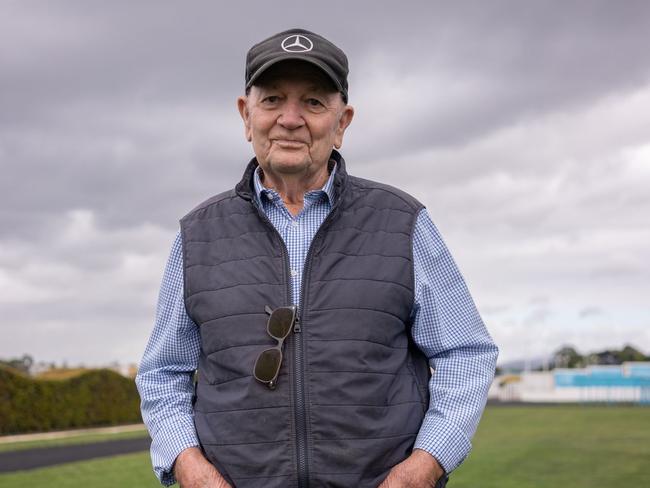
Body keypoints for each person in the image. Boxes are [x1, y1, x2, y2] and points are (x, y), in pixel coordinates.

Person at [136, 28, 498, 488]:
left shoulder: (404, 221)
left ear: (342, 122)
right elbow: (162, 373)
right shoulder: (197, 234)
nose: (290, 119)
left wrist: (422, 468)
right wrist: (190, 469)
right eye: (272, 100)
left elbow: (465, 353)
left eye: (313, 102)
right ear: (246, 116)